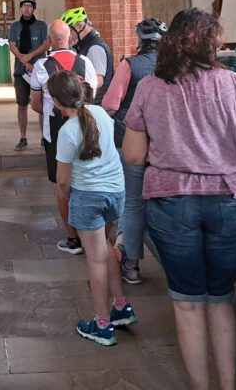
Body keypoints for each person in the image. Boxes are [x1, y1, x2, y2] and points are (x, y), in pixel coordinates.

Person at [124, 8, 236, 390]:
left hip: (172, 200)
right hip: (228, 199)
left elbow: (134, 155)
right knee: (220, 300)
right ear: (210, 43)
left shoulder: (150, 86)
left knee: (188, 303)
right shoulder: (231, 83)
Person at [48, 71, 138, 345]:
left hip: (89, 197)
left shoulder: (67, 131)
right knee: (106, 249)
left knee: (96, 258)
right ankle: (120, 307)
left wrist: (71, 199)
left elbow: (63, 181)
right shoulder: (100, 113)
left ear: (55, 101)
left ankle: (101, 324)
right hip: (116, 192)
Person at [101, 17, 168, 285]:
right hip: (165, 143)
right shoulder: (173, 68)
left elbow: (110, 105)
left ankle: (131, 264)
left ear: (140, 40)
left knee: (133, 202)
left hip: (131, 140)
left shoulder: (130, 66)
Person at [31, 19, 97, 255]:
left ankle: (73, 238)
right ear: (70, 38)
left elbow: (35, 104)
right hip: (85, 126)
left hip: (56, 129)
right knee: (86, 176)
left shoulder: (42, 65)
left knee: (62, 182)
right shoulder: (85, 62)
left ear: (49, 41)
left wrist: (52, 111)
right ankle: (93, 233)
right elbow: (91, 96)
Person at [7, 0, 49, 150]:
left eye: (30, 6)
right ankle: (23, 137)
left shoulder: (41, 25)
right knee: (22, 104)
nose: (27, 8)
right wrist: (24, 60)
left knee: (42, 104)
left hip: (39, 69)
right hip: (21, 71)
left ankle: (45, 136)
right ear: (20, 8)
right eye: (24, 6)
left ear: (34, 8)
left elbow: (46, 44)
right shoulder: (15, 26)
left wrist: (30, 57)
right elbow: (12, 45)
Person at [61, 6, 114, 105]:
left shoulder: (94, 48)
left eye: (70, 30)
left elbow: (98, 81)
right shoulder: (85, 44)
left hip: (96, 103)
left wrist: (73, 85)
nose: (69, 35)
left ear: (79, 26)